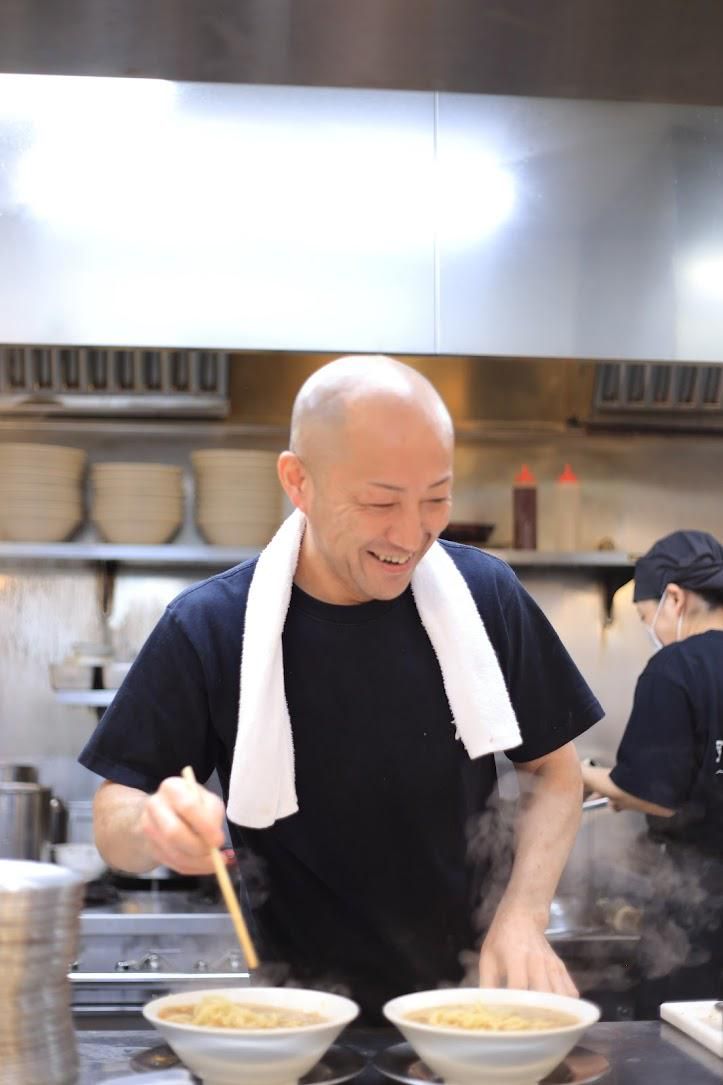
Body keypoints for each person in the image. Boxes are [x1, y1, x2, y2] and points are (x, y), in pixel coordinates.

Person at [80, 355, 602, 1018]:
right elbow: (113, 812)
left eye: (436, 498)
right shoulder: (212, 625)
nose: (413, 534)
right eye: (381, 501)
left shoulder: (484, 597)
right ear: (298, 481)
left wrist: (523, 914)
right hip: (296, 1019)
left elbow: (555, 773)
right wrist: (154, 826)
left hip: (467, 1008)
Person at [582, 529, 723, 1013]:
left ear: (675, 599)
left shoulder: (676, 667)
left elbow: (651, 794)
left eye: (647, 617)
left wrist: (584, 774)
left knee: (687, 1044)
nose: (652, 629)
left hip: (700, 905)